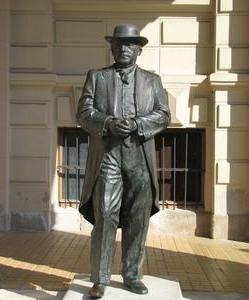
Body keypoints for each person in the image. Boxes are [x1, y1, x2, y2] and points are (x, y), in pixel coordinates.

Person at [76, 23, 170, 298]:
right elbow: (83, 112)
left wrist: (139, 124)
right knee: (105, 216)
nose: (124, 48)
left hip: (139, 157)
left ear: (139, 49)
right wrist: (107, 123)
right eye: (119, 44)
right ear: (112, 48)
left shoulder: (153, 81)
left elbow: (164, 114)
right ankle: (101, 278)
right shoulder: (97, 77)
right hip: (109, 156)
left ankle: (132, 275)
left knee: (138, 220)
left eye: (130, 44)